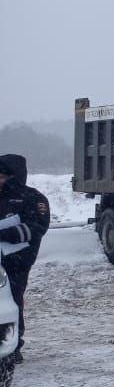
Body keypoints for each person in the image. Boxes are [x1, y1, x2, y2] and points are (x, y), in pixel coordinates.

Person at [0, 154, 50, 363]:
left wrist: (5, 234)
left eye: (2, 175)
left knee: (11, 302)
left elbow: (37, 227)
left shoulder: (33, 198)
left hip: (17, 260)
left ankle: (13, 347)